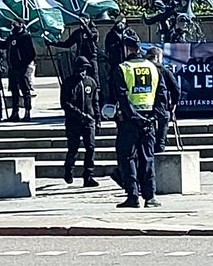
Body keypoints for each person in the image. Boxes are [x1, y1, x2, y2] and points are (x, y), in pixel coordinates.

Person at [110, 32, 161, 208]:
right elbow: (161, 96)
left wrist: (134, 116)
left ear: (127, 49)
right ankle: (151, 196)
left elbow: (122, 97)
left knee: (127, 157)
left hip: (129, 121)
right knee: (147, 157)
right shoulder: (153, 67)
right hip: (149, 120)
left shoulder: (122, 68)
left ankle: (133, 196)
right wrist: (153, 116)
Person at [60, 56, 100, 187]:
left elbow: (95, 102)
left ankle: (88, 175)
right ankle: (69, 170)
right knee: (73, 148)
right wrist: (80, 114)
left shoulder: (91, 82)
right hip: (74, 122)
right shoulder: (68, 83)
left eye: (85, 69)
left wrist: (97, 118)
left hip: (89, 121)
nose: (82, 72)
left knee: (90, 147)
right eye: (80, 69)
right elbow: (65, 103)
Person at [146, 47, 182, 154]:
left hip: (145, 104)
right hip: (161, 103)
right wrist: (174, 103)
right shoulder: (163, 70)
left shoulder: (143, 70)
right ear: (157, 57)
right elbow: (175, 88)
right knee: (162, 125)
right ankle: (160, 148)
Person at [6, 21, 36, 121]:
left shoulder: (25, 37)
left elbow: (31, 53)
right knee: (14, 91)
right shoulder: (11, 37)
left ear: (21, 24)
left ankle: (27, 112)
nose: (13, 26)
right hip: (12, 68)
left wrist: (24, 64)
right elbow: (3, 45)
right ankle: (15, 113)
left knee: (25, 91)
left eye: (16, 24)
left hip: (22, 69)